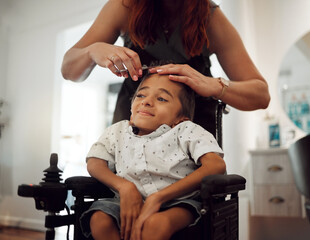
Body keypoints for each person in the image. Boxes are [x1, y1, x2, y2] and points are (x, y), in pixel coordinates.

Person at [61, 0, 271, 127]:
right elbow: (69, 70)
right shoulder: (124, 7)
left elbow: (261, 95)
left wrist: (214, 85)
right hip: (131, 136)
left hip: (190, 146)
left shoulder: (211, 19)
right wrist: (92, 51)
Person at [81, 72, 226, 240]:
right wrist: (124, 187)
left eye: (162, 99)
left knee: (157, 224)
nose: (146, 101)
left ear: (180, 118)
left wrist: (158, 197)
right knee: (100, 220)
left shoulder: (187, 131)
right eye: (141, 95)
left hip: (178, 202)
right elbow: (94, 163)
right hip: (124, 202)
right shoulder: (117, 131)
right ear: (131, 109)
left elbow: (216, 165)